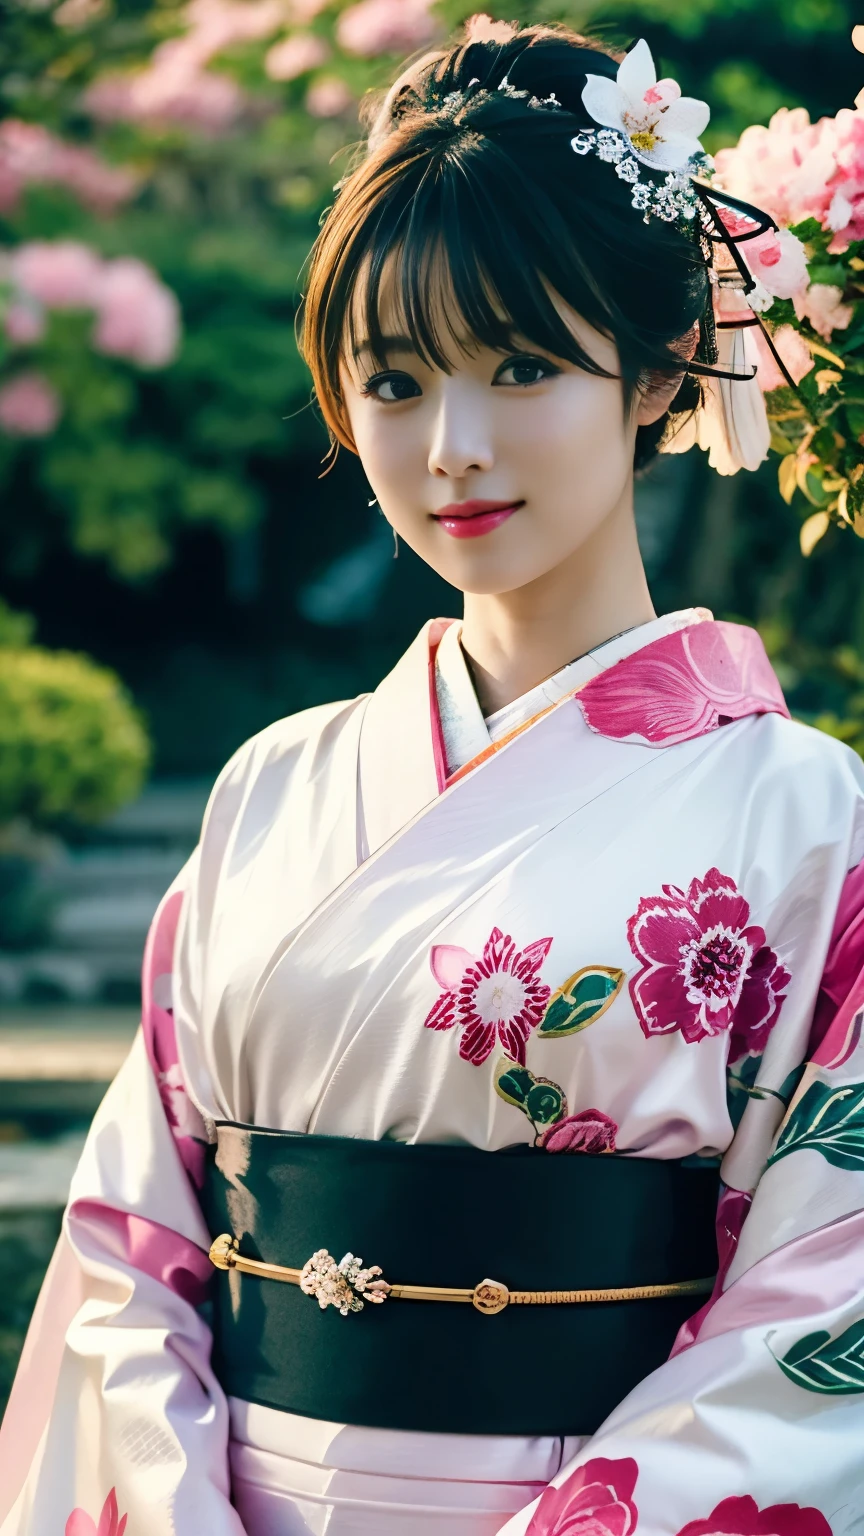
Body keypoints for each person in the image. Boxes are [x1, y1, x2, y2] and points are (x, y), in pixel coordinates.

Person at [3, 16, 864, 1536]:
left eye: (523, 363)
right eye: (394, 382)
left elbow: (820, 1307)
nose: (453, 447)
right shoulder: (272, 787)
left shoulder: (806, 823)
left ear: (658, 370)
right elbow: (133, 1246)